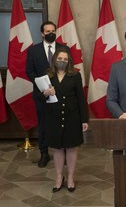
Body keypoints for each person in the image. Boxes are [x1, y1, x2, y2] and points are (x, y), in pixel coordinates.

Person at [41, 47, 88, 192]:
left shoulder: (75, 75)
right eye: (60, 59)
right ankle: (59, 177)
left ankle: (71, 177)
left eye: (65, 59)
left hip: (72, 116)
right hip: (53, 116)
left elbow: (81, 98)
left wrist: (84, 120)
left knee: (72, 147)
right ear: (54, 60)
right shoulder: (47, 75)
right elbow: (38, 97)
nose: (62, 61)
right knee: (58, 148)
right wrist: (46, 93)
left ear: (69, 61)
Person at [26, 21, 70, 168]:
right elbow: (30, 71)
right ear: (42, 33)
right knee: (43, 125)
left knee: (62, 124)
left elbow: (69, 69)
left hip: (61, 94)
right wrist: (42, 86)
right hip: (41, 95)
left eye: (53, 31)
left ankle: (62, 154)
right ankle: (44, 153)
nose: (51, 33)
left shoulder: (64, 49)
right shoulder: (33, 50)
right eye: (47, 31)